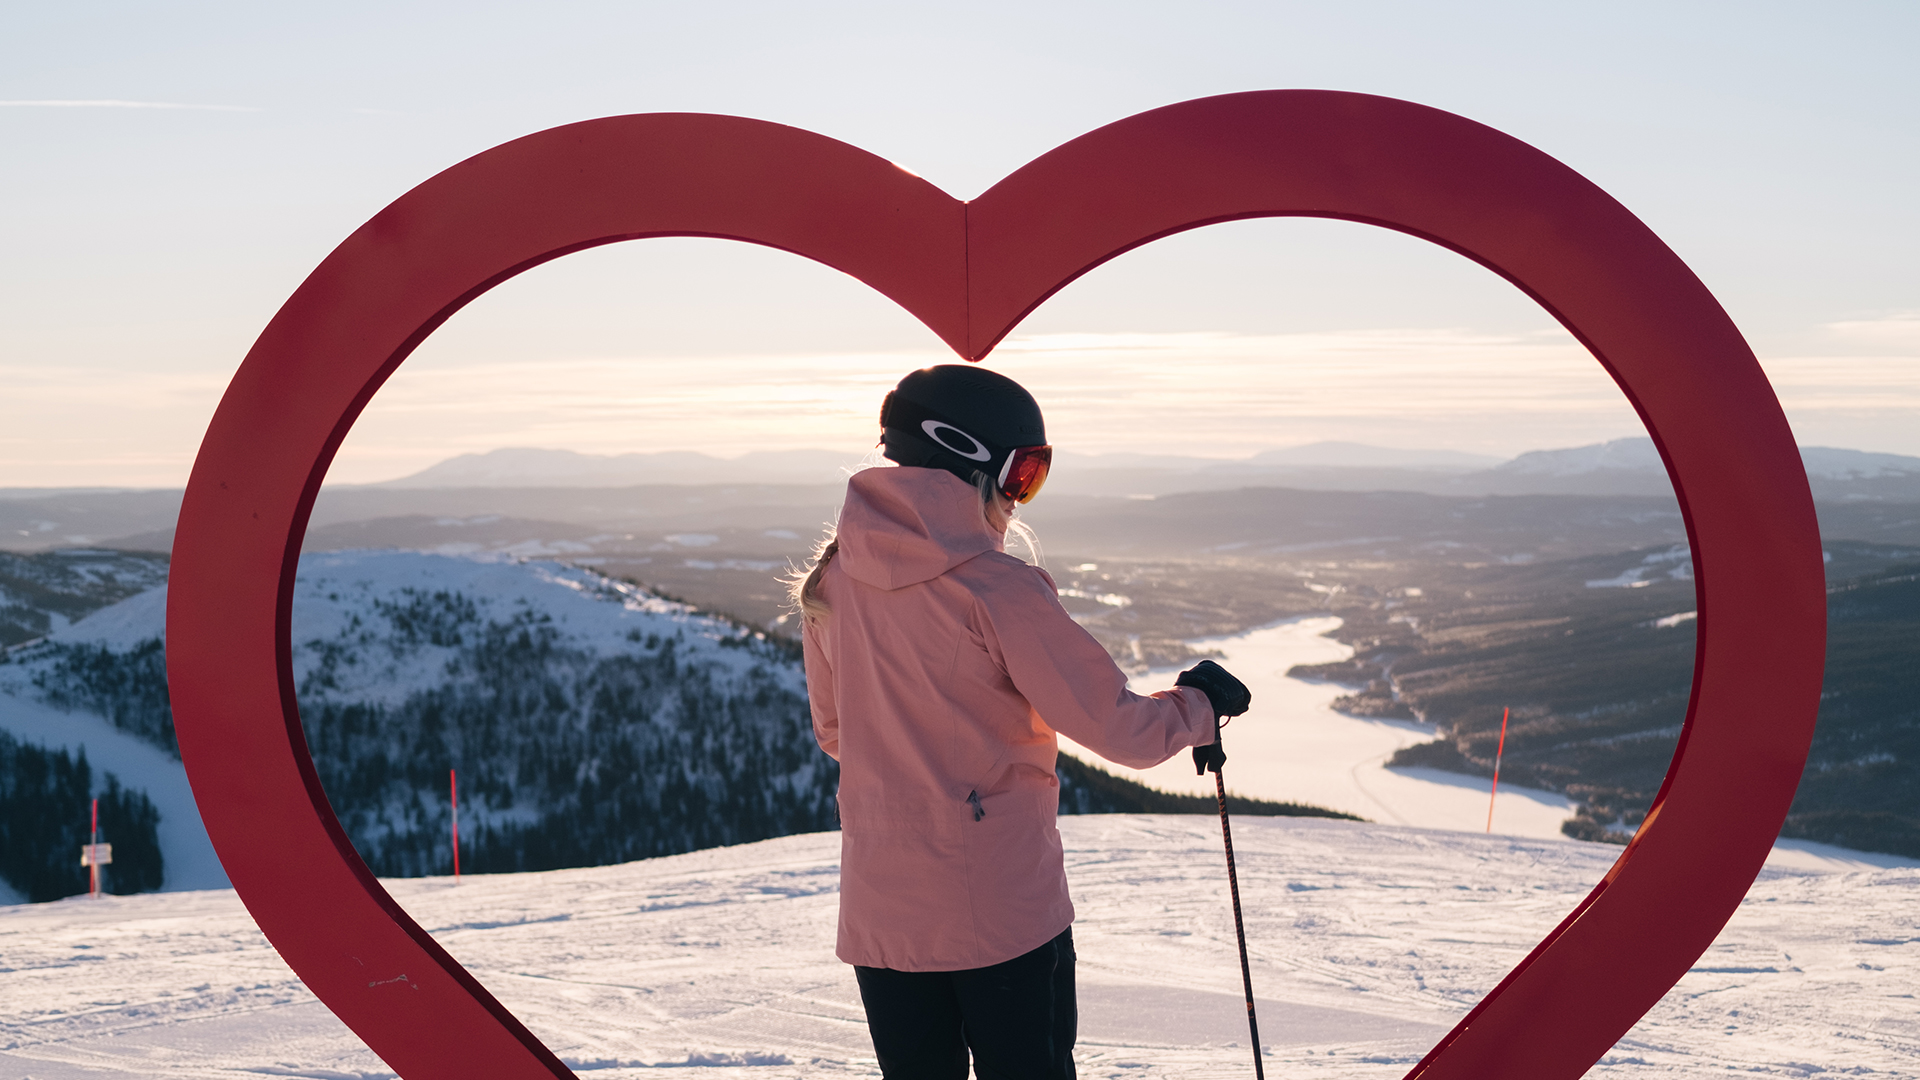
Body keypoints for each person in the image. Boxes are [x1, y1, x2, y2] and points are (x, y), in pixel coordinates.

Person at [791, 364, 1252, 1079]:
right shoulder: (995, 588)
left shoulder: (834, 581)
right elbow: (1122, 730)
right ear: (967, 458)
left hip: (883, 917)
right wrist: (1199, 708)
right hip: (1001, 914)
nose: (1021, 497)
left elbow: (837, 734)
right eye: (1023, 473)